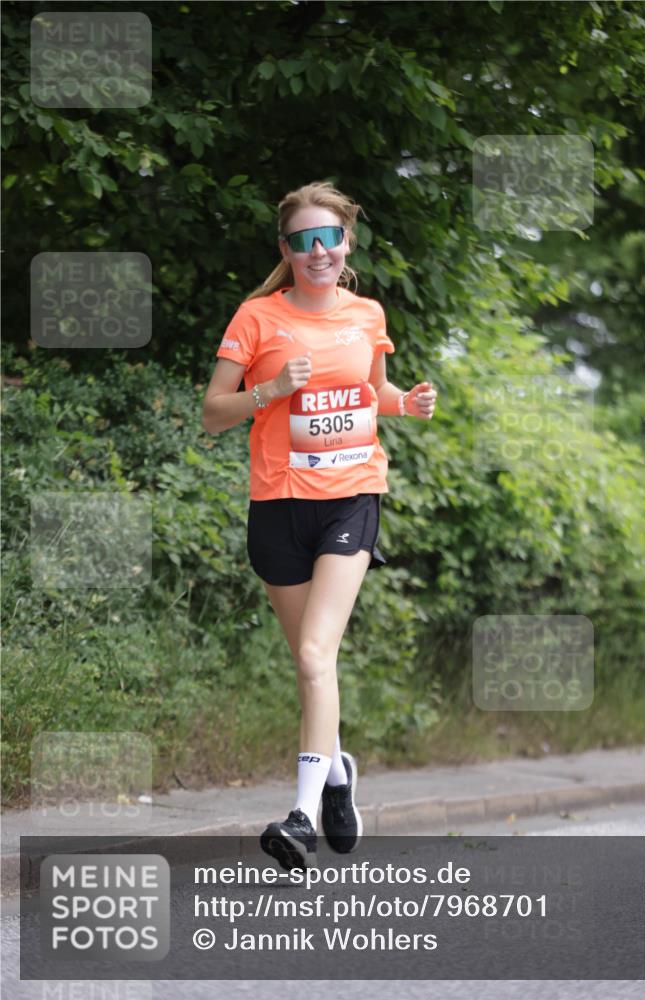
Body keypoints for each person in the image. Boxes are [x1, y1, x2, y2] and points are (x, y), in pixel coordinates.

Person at [202, 181, 437, 871]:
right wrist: (271, 390)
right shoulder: (256, 319)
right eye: (302, 241)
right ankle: (337, 775)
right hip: (277, 504)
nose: (317, 251)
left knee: (314, 656)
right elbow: (213, 412)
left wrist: (408, 404)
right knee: (310, 668)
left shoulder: (366, 314)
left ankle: (300, 817)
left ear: (345, 244)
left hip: (350, 497)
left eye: (328, 238)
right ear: (286, 249)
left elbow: (373, 393)